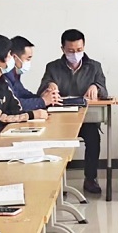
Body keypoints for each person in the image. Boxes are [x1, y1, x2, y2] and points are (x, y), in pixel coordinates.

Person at [38, 29, 108, 194]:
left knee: (94, 139)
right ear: (62, 49)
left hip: (86, 119)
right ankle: (58, 181)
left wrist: (96, 87)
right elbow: (40, 93)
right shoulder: (53, 67)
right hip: (60, 120)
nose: (75, 54)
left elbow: (105, 92)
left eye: (79, 50)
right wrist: (49, 87)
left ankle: (90, 179)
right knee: (55, 143)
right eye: (70, 51)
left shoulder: (94, 66)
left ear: (84, 47)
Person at [4, 36, 60, 112]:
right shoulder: (3, 77)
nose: (29, 62)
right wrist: (43, 101)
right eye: (28, 58)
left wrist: (43, 97)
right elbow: (14, 104)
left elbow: (23, 94)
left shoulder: (14, 75)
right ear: (14, 57)